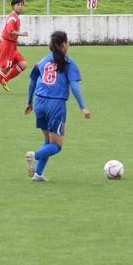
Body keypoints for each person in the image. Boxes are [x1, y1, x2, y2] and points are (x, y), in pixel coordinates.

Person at [23, 30, 91, 182]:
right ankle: (34, 155)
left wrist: (29, 102)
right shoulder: (68, 63)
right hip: (55, 104)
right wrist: (83, 107)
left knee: (48, 141)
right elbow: (74, 86)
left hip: (39, 102)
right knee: (57, 146)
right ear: (64, 44)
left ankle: (38, 174)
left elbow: (33, 80)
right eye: (68, 42)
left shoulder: (43, 61)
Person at [0, 0, 28, 94]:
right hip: (8, 45)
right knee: (5, 68)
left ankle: (4, 80)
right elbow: (9, 31)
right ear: (13, 7)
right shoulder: (12, 18)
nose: (20, 7)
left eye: (22, 5)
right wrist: (21, 34)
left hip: (12, 46)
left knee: (23, 64)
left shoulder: (16, 17)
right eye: (18, 5)